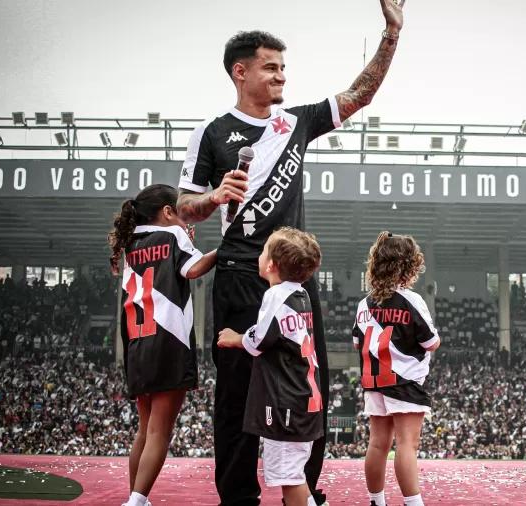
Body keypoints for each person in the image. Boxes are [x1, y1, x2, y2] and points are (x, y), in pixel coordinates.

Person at [175, 1, 406, 504]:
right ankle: (237, 495)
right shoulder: (211, 133)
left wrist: (391, 34)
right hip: (239, 272)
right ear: (241, 72)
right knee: (235, 390)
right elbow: (181, 208)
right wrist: (214, 198)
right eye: (271, 67)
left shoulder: (296, 122)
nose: (282, 76)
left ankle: (305, 489)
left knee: (309, 383)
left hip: (293, 279)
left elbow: (359, 95)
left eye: (284, 67)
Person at [108, 184, 217, 506]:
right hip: (169, 340)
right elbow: (194, 269)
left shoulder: (130, 244)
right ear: (169, 212)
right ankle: (137, 501)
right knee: (159, 431)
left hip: (137, 342)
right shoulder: (172, 236)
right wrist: (226, 249)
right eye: (183, 213)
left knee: (144, 429)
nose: (187, 221)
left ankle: (135, 496)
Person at [216, 228, 324, 506]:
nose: (259, 254)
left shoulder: (275, 296)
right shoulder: (301, 296)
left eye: (263, 250)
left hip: (286, 404)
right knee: (295, 473)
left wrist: (235, 338)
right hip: (304, 400)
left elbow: (259, 340)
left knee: (290, 479)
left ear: (271, 265)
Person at [353, 231, 440, 506]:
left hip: (374, 380)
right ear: (407, 267)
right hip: (405, 382)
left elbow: (357, 342)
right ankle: (413, 504)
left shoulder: (363, 304)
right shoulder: (412, 301)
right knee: (406, 445)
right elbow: (431, 342)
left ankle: (376, 502)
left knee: (377, 444)